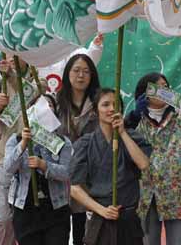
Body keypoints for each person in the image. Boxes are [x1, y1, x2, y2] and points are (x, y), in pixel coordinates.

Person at [125, 73, 181, 245]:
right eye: (157, 87)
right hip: (145, 194)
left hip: (176, 194)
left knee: (179, 241)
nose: (164, 91)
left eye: (166, 87)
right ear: (145, 93)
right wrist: (133, 117)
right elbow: (124, 149)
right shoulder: (136, 121)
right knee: (147, 241)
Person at [70, 88, 150, 245]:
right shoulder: (85, 143)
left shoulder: (132, 137)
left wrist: (122, 133)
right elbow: (75, 188)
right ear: (96, 110)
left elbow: (144, 164)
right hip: (100, 218)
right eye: (105, 104)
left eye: (115, 105)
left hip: (128, 217)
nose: (111, 109)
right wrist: (102, 210)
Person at [4, 94, 72, 245]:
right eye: (40, 105)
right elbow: (8, 168)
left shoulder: (63, 142)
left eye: (49, 105)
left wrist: (44, 165)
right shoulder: (15, 140)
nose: (45, 109)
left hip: (56, 208)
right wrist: (23, 144)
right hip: (25, 208)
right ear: (30, 111)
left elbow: (67, 173)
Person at [0, 56, 37, 245]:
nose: (11, 58)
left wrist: (13, 77)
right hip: (4, 158)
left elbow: (33, 92)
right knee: (3, 217)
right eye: (6, 53)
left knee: (28, 217)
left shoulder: (37, 78)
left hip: (32, 157)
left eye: (16, 53)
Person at [57, 52, 101, 245]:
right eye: (76, 70)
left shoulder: (99, 103)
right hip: (60, 176)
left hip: (88, 177)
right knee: (58, 232)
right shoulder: (55, 102)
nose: (81, 76)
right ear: (67, 73)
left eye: (86, 71)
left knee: (83, 234)